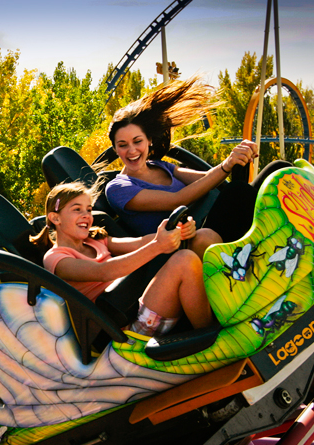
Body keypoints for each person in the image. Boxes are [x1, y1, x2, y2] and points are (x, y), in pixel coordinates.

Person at [33, 181, 214, 335]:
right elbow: (104, 272)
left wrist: (179, 232)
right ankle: (210, 335)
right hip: (125, 328)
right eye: (77, 209)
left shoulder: (96, 239)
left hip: (141, 300)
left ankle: (224, 304)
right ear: (55, 218)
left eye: (88, 209)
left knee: (203, 236)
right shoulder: (56, 258)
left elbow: (139, 242)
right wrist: (158, 246)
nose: (86, 216)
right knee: (184, 260)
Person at [102, 76, 264, 243]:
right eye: (123, 145)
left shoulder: (160, 166)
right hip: (185, 244)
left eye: (137, 141)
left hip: (211, 225)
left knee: (274, 170)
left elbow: (207, 178)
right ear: (115, 149)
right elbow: (177, 200)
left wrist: (236, 159)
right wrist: (227, 164)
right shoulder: (117, 188)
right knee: (239, 190)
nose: (132, 151)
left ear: (149, 140)